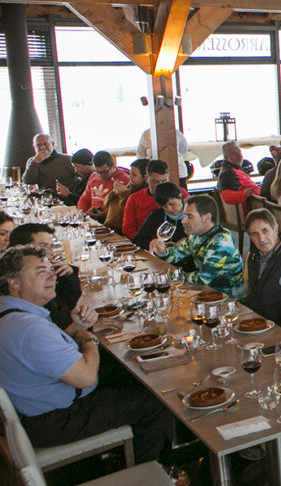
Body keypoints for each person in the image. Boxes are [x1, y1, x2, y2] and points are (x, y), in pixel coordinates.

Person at [0, 246, 174, 464]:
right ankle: (155, 474)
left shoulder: (11, 314)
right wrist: (88, 339)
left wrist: (75, 328)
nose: (52, 275)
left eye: (50, 269)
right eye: (40, 271)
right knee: (156, 402)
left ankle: (126, 453)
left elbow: (42, 352)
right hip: (55, 419)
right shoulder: (28, 328)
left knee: (137, 375)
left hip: (40, 406)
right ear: (14, 282)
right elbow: (86, 377)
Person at [150, 194, 244, 298]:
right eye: (184, 215)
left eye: (189, 216)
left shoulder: (222, 240)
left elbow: (203, 279)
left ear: (206, 218)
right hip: (205, 293)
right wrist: (162, 251)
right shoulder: (196, 235)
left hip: (227, 300)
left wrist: (169, 277)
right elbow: (174, 256)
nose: (183, 220)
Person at [8, 223, 82, 330]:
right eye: (43, 247)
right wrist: (85, 330)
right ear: (20, 248)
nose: (51, 252)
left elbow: (68, 304)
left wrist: (69, 276)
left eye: (51, 246)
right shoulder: (24, 281)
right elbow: (56, 322)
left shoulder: (44, 271)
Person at [122, 159, 187, 238]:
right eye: (155, 181)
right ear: (146, 179)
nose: (160, 186)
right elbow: (128, 229)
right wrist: (147, 242)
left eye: (164, 181)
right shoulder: (134, 199)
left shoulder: (180, 194)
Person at [133, 182, 188, 251]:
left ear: (180, 196)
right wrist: (153, 244)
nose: (169, 209)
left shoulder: (192, 213)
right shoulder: (157, 215)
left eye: (171, 204)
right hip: (163, 256)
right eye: (165, 206)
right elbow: (138, 240)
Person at [76, 150, 130, 219]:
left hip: (111, 218)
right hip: (92, 215)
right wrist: (82, 214)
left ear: (113, 166)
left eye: (104, 172)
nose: (100, 175)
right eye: (97, 172)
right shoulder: (93, 176)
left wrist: (103, 213)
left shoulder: (125, 179)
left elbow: (124, 206)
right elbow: (84, 199)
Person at [103, 157, 146, 230]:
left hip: (122, 232)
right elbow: (108, 206)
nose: (130, 177)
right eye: (130, 174)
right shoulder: (130, 186)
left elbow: (128, 214)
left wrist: (124, 195)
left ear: (145, 178)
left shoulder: (144, 194)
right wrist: (113, 193)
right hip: (109, 228)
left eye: (134, 175)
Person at [216, 141, 258, 205]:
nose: (239, 156)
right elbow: (227, 196)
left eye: (239, 152)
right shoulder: (228, 174)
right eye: (234, 154)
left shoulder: (233, 169)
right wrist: (244, 194)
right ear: (226, 157)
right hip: (254, 210)